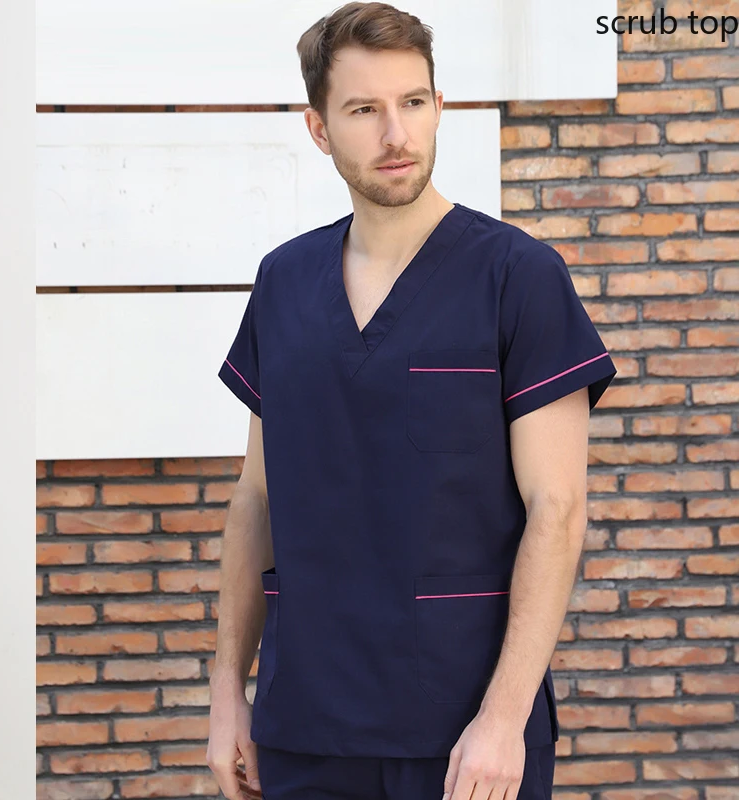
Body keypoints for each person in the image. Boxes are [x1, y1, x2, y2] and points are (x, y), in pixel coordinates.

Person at [206, 3, 617, 799]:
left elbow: (559, 509)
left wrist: (503, 719)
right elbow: (256, 499)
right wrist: (228, 692)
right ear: (319, 128)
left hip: (465, 735)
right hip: (306, 726)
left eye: (413, 102)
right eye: (364, 110)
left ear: (438, 106)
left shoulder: (518, 277)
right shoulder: (284, 281)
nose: (396, 134)